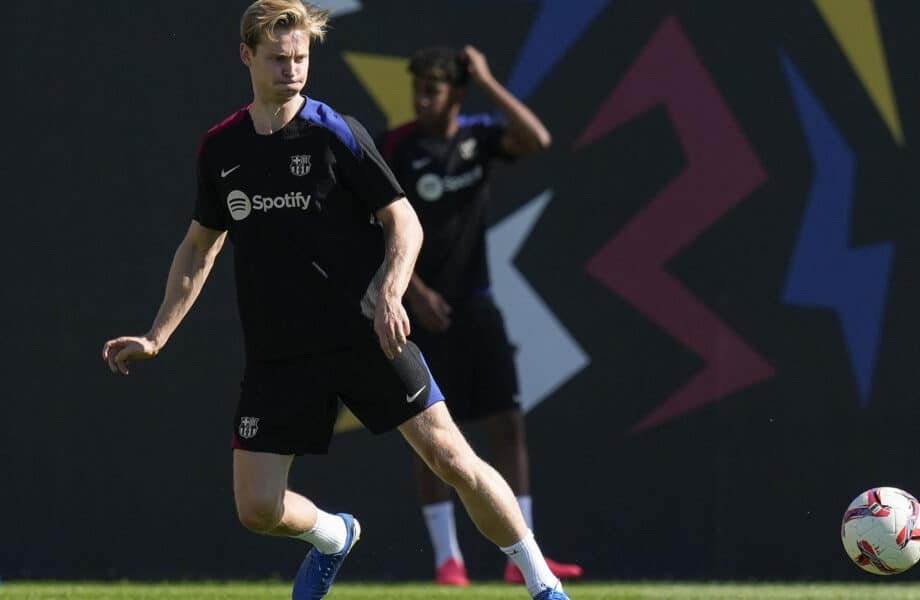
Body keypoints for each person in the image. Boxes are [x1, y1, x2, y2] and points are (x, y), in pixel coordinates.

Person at [100, 3, 571, 599]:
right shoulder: (221, 149)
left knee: (454, 460)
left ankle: (543, 582)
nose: (292, 70)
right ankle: (333, 536)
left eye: (301, 57)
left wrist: (393, 290)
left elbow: (405, 222)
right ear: (246, 55)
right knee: (257, 509)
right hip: (280, 352)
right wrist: (156, 335)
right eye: (278, 59)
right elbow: (198, 249)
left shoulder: (335, 132)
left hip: (365, 335)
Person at [378, 46, 583, 587]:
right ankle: (448, 561)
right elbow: (373, 225)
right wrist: (414, 292)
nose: (422, 99)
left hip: (477, 305)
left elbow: (537, 140)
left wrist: (489, 80)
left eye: (434, 90)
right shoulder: (396, 146)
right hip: (418, 312)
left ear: (456, 94)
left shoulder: (478, 137)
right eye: (417, 89)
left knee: (507, 424)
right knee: (432, 438)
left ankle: (523, 560)